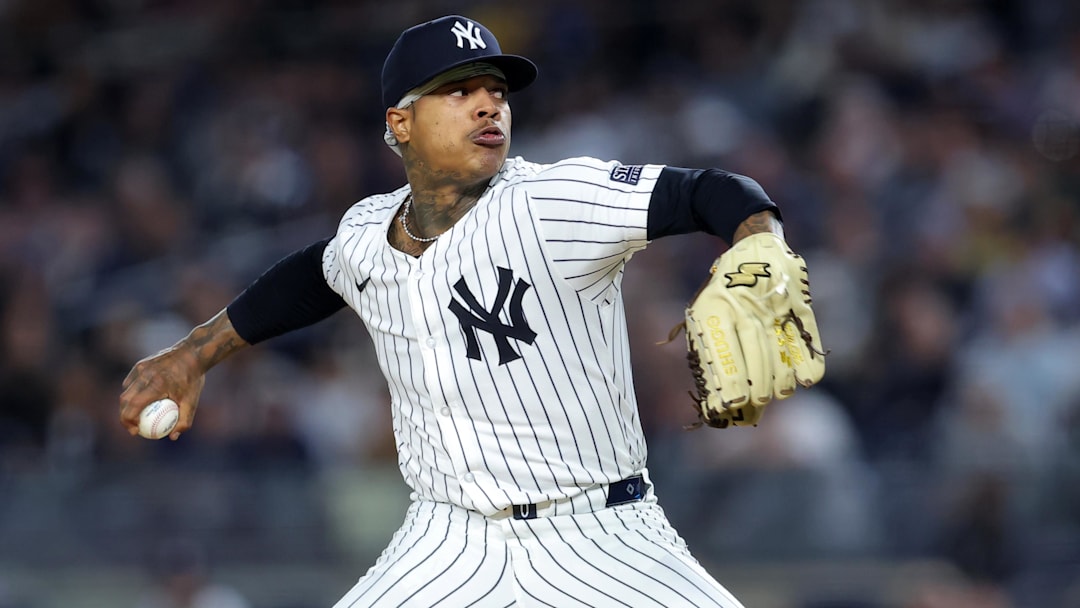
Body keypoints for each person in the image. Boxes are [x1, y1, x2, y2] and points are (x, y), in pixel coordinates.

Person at [120, 15, 819, 607]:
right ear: (400, 122)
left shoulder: (553, 201)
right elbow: (312, 276)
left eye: (497, 92)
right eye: (459, 92)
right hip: (446, 539)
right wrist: (193, 354)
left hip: (601, 532)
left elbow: (712, 190)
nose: (489, 107)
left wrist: (762, 246)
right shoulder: (366, 232)